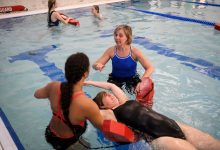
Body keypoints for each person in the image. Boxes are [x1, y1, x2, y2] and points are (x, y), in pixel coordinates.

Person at [84, 80, 220, 150]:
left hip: (173, 125)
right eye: (105, 97)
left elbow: (110, 86)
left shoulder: (124, 100)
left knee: (211, 142)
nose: (110, 94)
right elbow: (92, 111)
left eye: (109, 94)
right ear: (102, 105)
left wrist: (88, 82)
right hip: (159, 137)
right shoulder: (110, 113)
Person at [34, 53, 104, 150]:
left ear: (66, 71)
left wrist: (51, 96)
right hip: (67, 143)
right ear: (86, 74)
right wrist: (128, 132)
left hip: (50, 134)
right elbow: (105, 127)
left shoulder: (53, 86)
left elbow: (37, 94)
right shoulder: (87, 104)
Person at [92, 24, 154, 94]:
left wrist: (142, 81)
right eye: (115, 35)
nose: (117, 37)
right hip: (115, 79)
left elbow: (150, 68)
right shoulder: (111, 51)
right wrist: (97, 66)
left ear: (127, 37)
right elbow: (94, 65)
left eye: (120, 36)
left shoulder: (135, 52)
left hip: (132, 79)